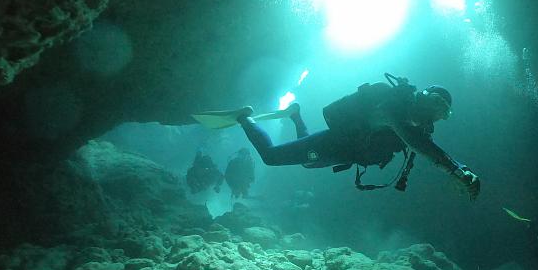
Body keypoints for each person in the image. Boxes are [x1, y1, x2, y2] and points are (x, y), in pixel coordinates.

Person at [194, 75, 480, 199]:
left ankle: (295, 115)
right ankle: (245, 117)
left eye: (444, 112)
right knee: (271, 158)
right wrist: (456, 169)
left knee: (306, 163)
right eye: (437, 104)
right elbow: (415, 142)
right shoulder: (394, 105)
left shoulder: (417, 126)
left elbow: (420, 143)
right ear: (424, 97)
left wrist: (456, 168)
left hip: (344, 152)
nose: (437, 114)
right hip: (332, 143)